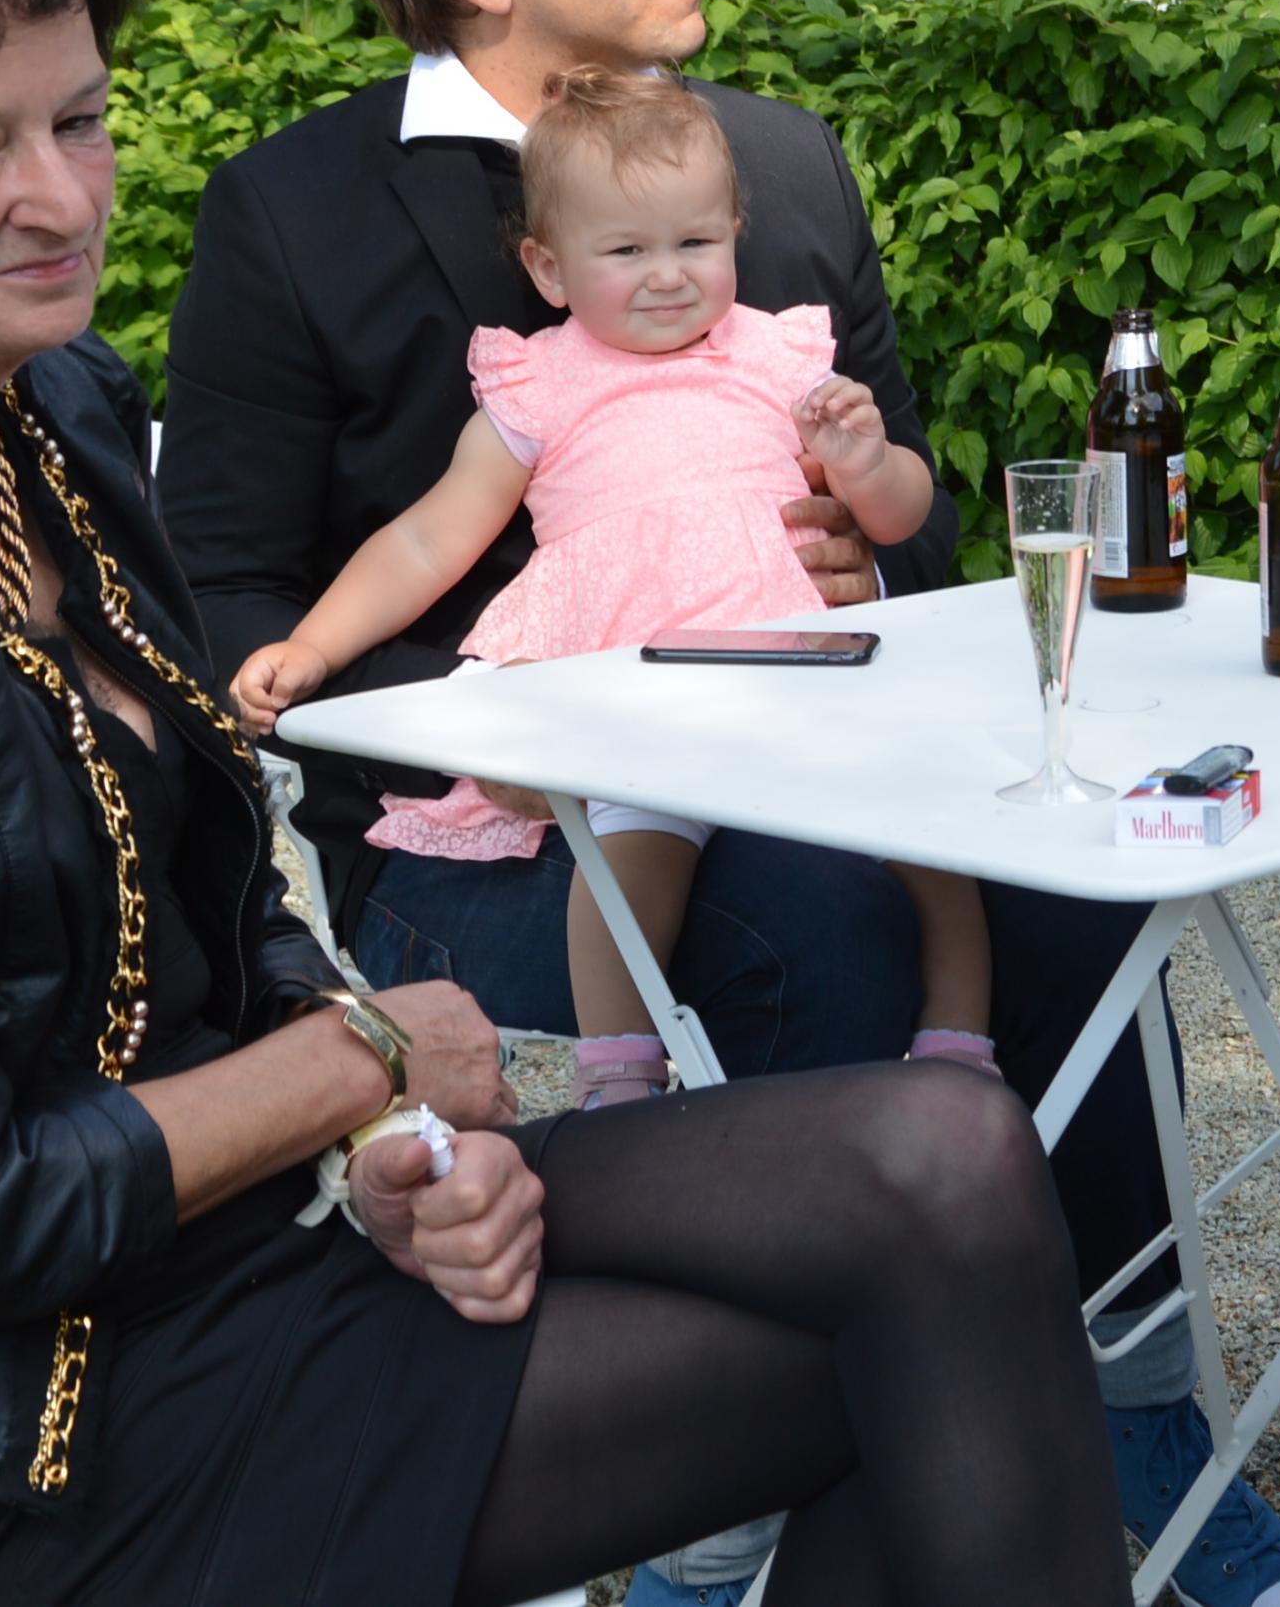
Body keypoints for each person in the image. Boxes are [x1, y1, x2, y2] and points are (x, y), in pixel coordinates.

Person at [0, 0, 1128, 1607]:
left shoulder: (46, 416)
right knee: (925, 1322)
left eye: (79, 120)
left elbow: (219, 908)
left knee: (945, 1157)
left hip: (237, 1247)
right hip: (21, 1435)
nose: (62, 196)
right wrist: (361, 1065)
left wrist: (387, 1156)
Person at [157, 0, 1280, 1607]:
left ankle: (1131, 1403)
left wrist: (863, 540)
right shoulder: (291, 209)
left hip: (812, 734)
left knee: (1076, 894)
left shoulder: (776, 161)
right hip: (503, 832)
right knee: (827, 923)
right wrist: (489, 717)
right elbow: (218, 598)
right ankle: (767, 1462)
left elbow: (915, 528)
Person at [233, 67, 993, 1109]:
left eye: (695, 241)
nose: (668, 275)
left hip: (805, 678)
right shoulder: (540, 382)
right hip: (639, 695)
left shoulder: (779, 357)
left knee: (933, 839)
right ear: (548, 268)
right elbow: (427, 539)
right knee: (628, 864)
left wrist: (866, 464)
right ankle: (619, 1074)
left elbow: (900, 515)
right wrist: (313, 646)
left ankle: (961, 1042)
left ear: (734, 232)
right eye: (627, 251)